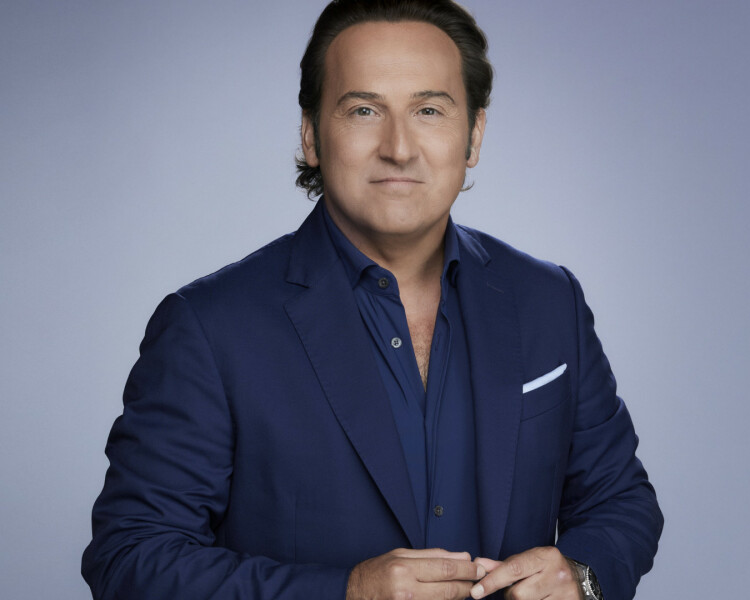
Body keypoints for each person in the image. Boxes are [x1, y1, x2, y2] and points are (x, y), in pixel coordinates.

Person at [82, 1, 663, 599]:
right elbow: (131, 559)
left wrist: (584, 575)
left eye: (429, 110)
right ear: (311, 134)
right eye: (364, 110)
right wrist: (345, 592)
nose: (399, 147)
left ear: (473, 136)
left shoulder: (548, 300)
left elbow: (621, 500)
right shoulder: (208, 328)